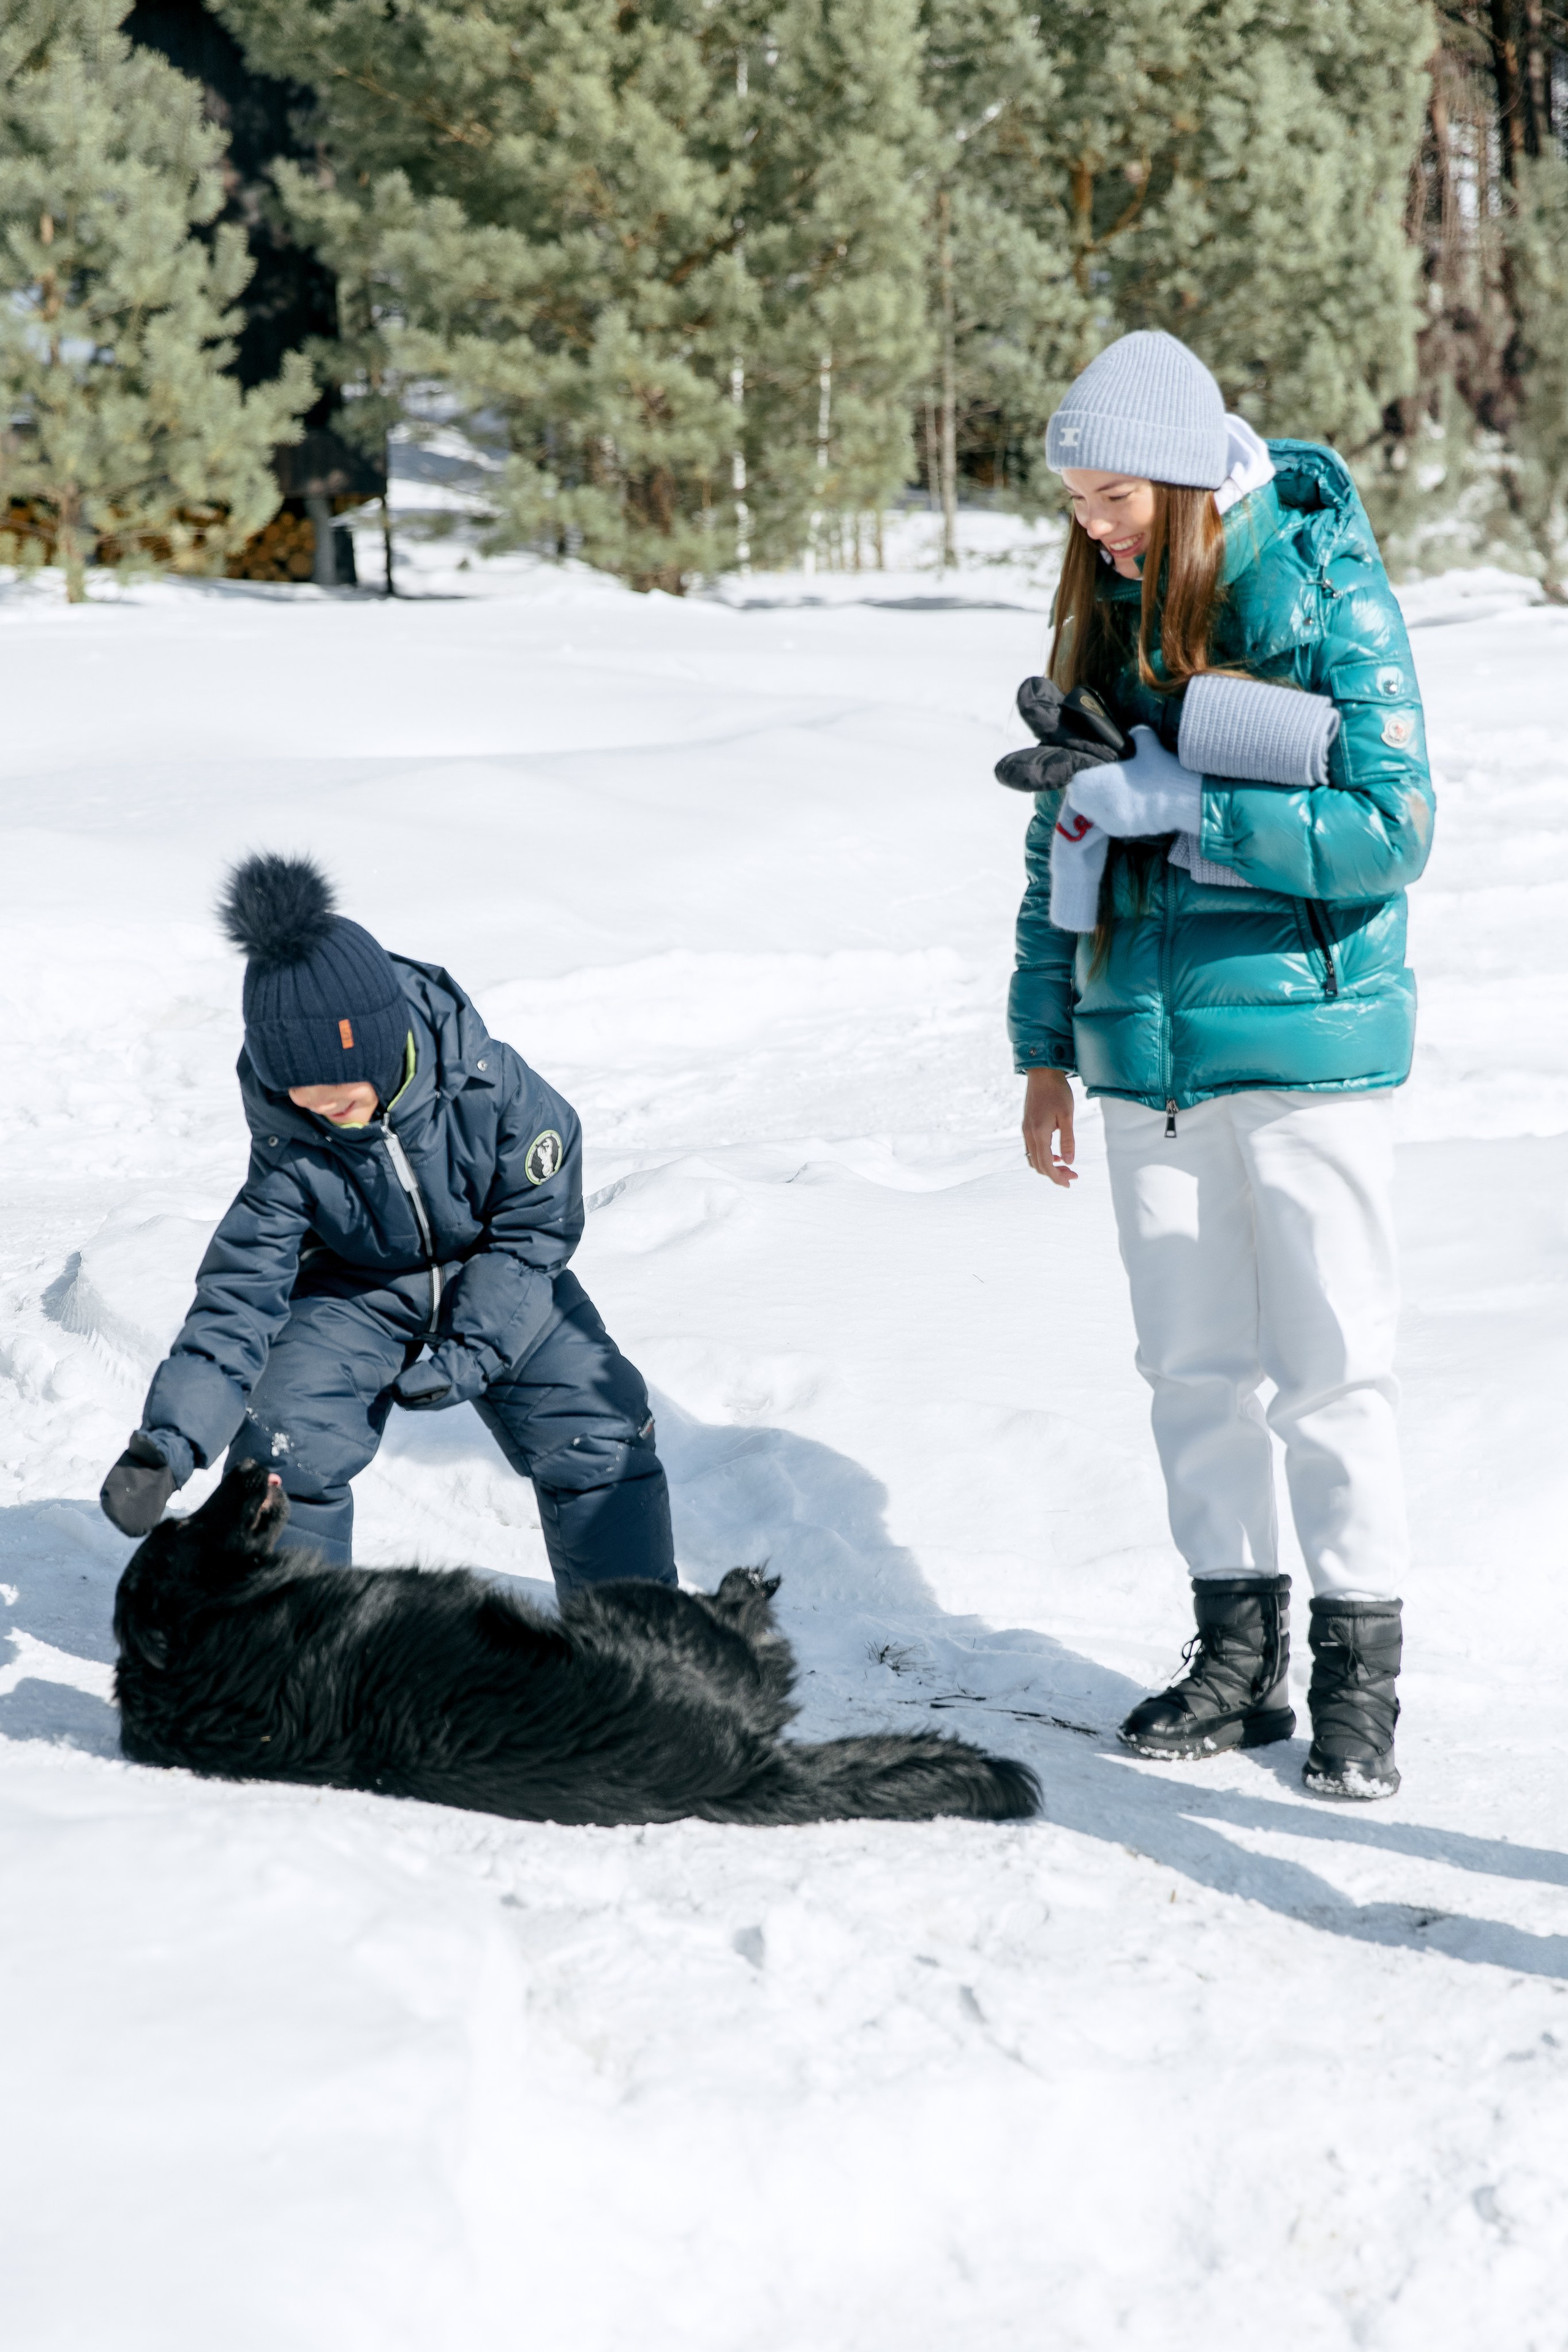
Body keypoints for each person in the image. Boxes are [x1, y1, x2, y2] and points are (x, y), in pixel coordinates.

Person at [1005, 330, 1434, 1801]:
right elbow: (1050, 841)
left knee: (1329, 1369)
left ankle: (1354, 1683)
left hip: (1305, 1045)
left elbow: (1390, 831)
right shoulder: (1107, 615)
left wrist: (1188, 813)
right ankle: (1233, 1661)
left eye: (1111, 498)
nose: (1091, 526)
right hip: (1142, 1050)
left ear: (1186, 483)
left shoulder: (1322, 594)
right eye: (1075, 502)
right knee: (1189, 1368)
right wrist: (1043, 1047)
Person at [99, 854, 676, 1596]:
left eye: (337, 1096)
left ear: (376, 1045)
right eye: (301, 1097)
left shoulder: (490, 1087)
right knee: (286, 1446)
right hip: (354, 1292)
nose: (321, 1112)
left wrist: (475, 1346)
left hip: (496, 1271)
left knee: (599, 1426)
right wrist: (168, 1444)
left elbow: (536, 1227)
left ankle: (633, 1653)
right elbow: (238, 1299)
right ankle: (298, 1658)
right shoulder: (291, 1150)